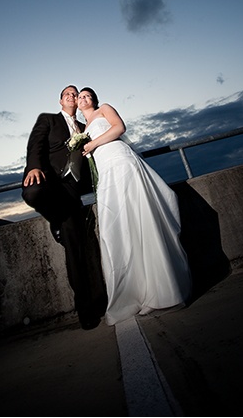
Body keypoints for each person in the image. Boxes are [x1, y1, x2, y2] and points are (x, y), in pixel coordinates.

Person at [76, 87, 192, 325]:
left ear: (94, 100)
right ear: (77, 104)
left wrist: (91, 144)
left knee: (140, 220)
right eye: (80, 97)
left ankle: (162, 291)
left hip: (121, 162)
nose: (84, 98)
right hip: (106, 173)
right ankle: (139, 293)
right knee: (119, 230)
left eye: (87, 95)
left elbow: (119, 128)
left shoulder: (104, 109)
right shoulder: (80, 130)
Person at [22, 85, 107, 330]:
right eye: (67, 93)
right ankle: (55, 219)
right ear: (61, 101)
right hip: (48, 182)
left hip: (71, 192)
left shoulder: (84, 128)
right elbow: (35, 145)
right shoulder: (48, 119)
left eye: (75, 93)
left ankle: (86, 310)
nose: (71, 95)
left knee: (75, 251)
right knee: (33, 192)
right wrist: (34, 167)